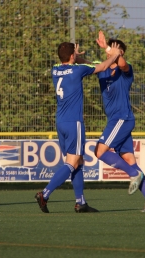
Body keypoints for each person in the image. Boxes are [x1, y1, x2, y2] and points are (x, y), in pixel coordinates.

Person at [35, 42, 121, 213]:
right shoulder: (77, 70)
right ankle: (44, 194)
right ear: (72, 56)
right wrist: (115, 54)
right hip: (74, 122)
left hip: (60, 122)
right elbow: (102, 66)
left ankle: (80, 202)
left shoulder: (55, 69)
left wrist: (76, 56)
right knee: (72, 163)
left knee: (78, 161)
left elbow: (72, 63)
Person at [94, 31, 145, 212]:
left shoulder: (125, 70)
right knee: (130, 160)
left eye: (115, 50)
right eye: (109, 49)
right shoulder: (103, 68)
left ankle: (134, 174)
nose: (110, 52)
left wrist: (111, 49)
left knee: (99, 151)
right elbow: (86, 68)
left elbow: (122, 64)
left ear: (120, 53)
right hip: (116, 120)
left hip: (122, 119)